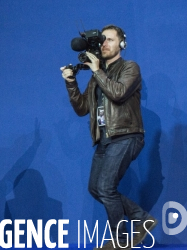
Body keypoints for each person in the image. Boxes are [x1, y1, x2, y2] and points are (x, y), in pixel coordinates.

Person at [60, 25, 157, 249]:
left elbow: (119, 93)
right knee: (96, 188)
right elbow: (83, 108)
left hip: (126, 135)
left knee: (105, 188)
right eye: (102, 40)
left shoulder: (130, 67)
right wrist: (71, 82)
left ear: (121, 44)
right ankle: (141, 218)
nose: (104, 44)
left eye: (110, 40)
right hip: (104, 139)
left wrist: (97, 71)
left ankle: (121, 241)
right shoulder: (97, 75)